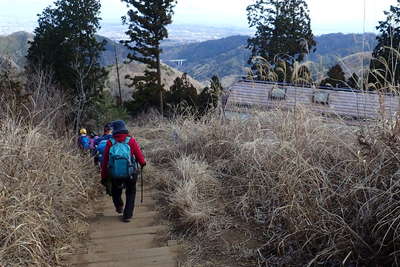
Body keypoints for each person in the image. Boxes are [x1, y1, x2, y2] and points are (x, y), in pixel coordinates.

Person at [101, 120, 146, 223]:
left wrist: (103, 176)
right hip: (130, 172)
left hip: (114, 174)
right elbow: (139, 155)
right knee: (131, 192)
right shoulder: (131, 141)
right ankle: (127, 215)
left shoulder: (110, 142)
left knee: (115, 190)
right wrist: (142, 163)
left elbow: (105, 161)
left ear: (114, 130)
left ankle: (119, 206)